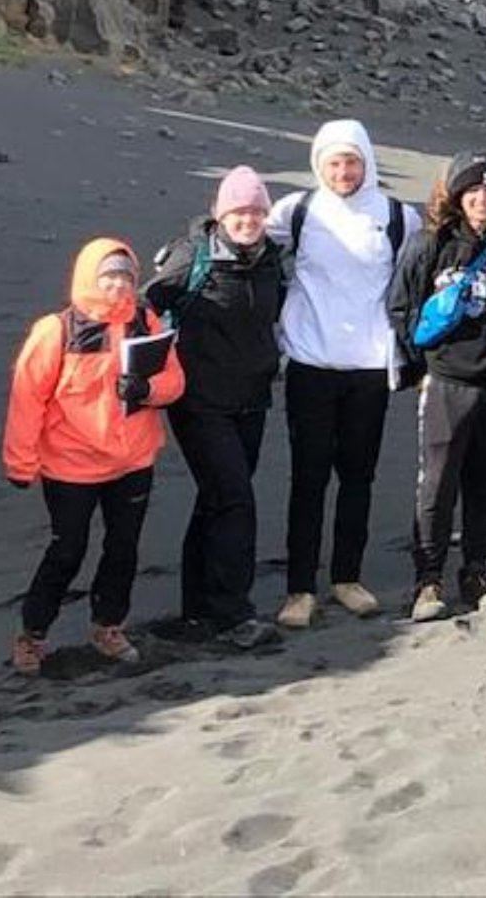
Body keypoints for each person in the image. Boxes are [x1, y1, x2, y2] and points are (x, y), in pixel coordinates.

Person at [4, 239, 186, 674]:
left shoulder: (146, 320)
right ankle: (33, 633)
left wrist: (148, 390)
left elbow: (174, 379)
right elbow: (27, 397)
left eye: (125, 275)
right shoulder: (58, 329)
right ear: (89, 277)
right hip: (71, 465)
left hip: (133, 460)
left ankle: (108, 626)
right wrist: (20, 462)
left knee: (123, 548)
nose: (118, 284)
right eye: (109, 275)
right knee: (68, 550)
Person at [267, 119, 420, 629]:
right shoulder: (296, 211)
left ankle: (347, 578)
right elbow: (240, 235)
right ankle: (300, 588)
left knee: (358, 477)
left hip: (370, 368)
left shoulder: (399, 216)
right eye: (333, 162)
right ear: (319, 164)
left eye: (351, 161)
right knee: (308, 479)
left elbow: (423, 270)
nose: (343, 172)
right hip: (311, 362)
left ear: (367, 162)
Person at [388, 150, 486, 622]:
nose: (482, 198)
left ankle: (476, 570)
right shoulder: (432, 242)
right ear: (456, 195)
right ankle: (427, 580)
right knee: (437, 483)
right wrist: (423, 365)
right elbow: (402, 306)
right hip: (447, 381)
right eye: (472, 190)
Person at [144, 167, 285, 650]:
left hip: (251, 398)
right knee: (235, 498)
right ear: (220, 214)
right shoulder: (191, 258)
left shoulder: (270, 260)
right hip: (198, 401)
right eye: (238, 212)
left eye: (256, 211)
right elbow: (144, 307)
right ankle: (232, 614)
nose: (248, 220)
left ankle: (197, 609)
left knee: (216, 500)